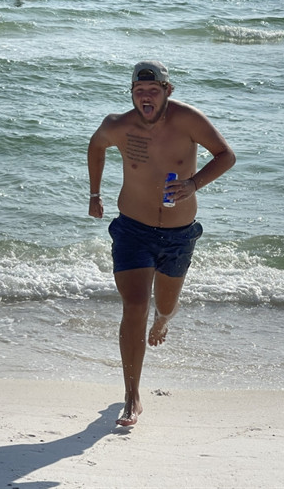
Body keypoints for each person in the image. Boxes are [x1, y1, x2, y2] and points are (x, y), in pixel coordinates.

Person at [88, 60, 236, 426]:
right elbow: (96, 145)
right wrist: (94, 194)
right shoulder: (118, 125)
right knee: (134, 305)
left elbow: (226, 156)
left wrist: (193, 184)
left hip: (179, 234)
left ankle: (164, 319)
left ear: (168, 91)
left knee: (165, 305)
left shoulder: (188, 120)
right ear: (132, 94)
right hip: (132, 230)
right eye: (139, 91)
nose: (146, 97)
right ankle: (132, 396)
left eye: (153, 90)